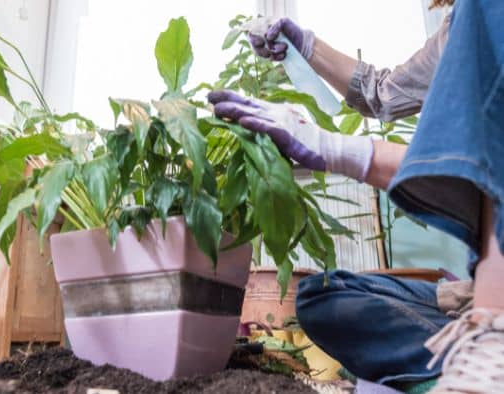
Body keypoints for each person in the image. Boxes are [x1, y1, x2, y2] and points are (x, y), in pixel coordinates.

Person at [208, 0, 504, 392]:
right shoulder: (465, 23)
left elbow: (476, 163)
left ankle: (481, 348)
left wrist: (331, 148)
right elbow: (383, 93)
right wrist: (306, 47)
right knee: (322, 296)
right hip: (473, 295)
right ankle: (457, 350)